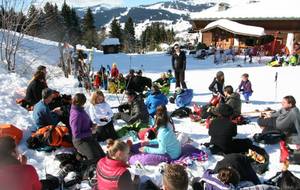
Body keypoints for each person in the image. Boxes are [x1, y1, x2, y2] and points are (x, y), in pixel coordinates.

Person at [69, 93, 105, 162]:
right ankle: (78, 155)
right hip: (80, 141)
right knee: (95, 159)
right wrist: (90, 132)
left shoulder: (80, 109)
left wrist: (92, 124)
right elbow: (76, 135)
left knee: (102, 156)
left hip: (88, 137)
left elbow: (87, 119)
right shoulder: (76, 115)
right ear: (81, 103)